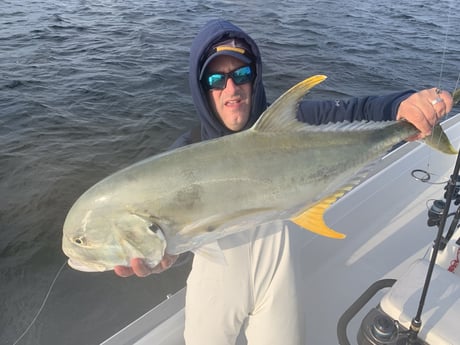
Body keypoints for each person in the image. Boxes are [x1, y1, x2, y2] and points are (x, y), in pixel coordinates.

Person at [114, 19, 454, 344]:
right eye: (216, 80)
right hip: (217, 277)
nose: (231, 88)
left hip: (279, 274)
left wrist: (404, 106)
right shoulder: (184, 159)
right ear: (202, 89)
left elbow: (360, 109)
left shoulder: (293, 128)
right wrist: (168, 253)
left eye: (241, 74)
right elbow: (179, 230)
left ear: (255, 77)